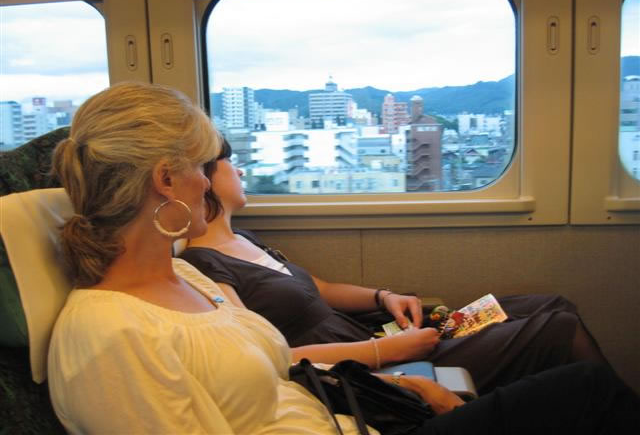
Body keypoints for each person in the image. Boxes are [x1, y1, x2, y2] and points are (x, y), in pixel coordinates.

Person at [47, 82, 640, 435]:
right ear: (166, 180)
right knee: (585, 390)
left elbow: (282, 370)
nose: (208, 183)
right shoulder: (108, 337)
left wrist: (399, 390)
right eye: (202, 169)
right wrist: (384, 361)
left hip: (359, 411)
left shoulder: (184, 277)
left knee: (568, 370)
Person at [181, 140, 612, 395]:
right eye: (229, 163)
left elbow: (321, 289)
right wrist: (388, 351)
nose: (240, 170)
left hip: (377, 334)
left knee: (550, 305)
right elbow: (261, 355)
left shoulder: (245, 240)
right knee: (559, 329)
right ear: (203, 177)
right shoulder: (202, 263)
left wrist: (384, 297)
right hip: (368, 364)